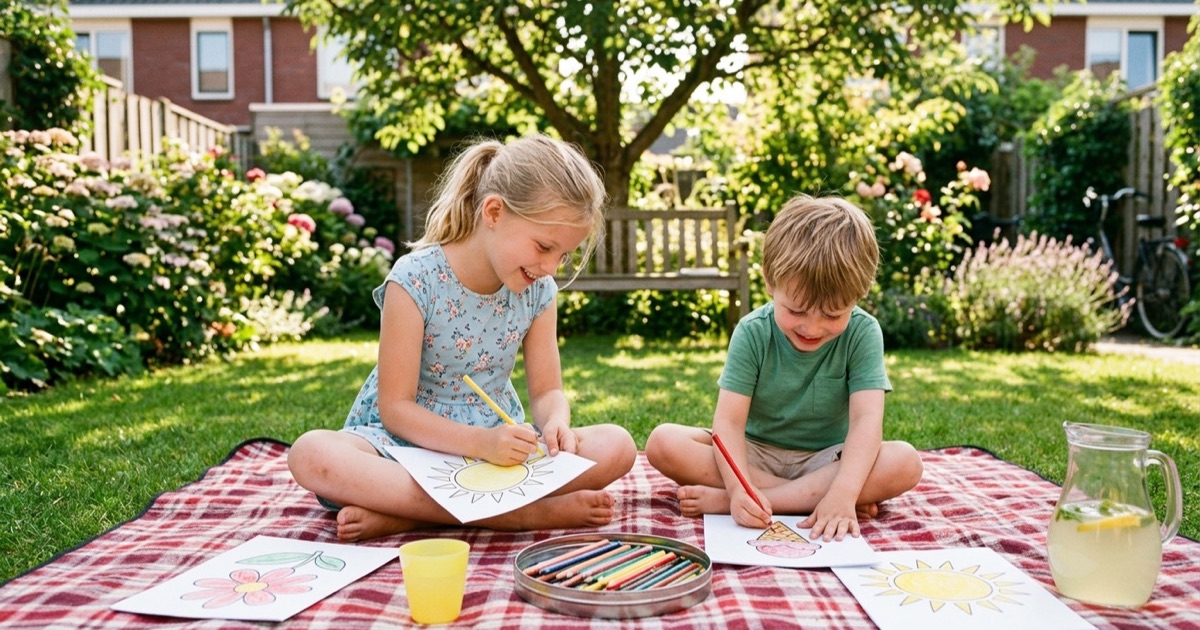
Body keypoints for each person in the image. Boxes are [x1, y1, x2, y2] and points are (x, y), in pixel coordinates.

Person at [288, 135, 637, 542]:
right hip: (406, 447)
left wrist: (557, 422)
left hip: (496, 450)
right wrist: (480, 443)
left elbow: (547, 392)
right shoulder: (415, 279)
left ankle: (410, 515)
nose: (550, 267)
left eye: (563, 255)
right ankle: (521, 515)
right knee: (312, 454)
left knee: (618, 445)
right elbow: (395, 409)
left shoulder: (539, 292)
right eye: (544, 247)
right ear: (494, 212)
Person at [645, 195, 923, 542]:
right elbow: (728, 423)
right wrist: (739, 485)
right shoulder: (752, 331)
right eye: (796, 311)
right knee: (663, 442)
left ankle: (762, 502)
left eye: (833, 315)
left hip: (827, 461)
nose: (812, 328)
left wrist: (844, 490)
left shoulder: (863, 333)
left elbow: (867, 421)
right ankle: (804, 499)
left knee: (905, 462)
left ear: (860, 293)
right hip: (755, 454)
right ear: (769, 281)